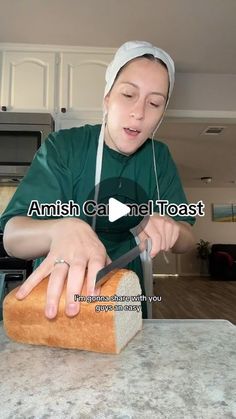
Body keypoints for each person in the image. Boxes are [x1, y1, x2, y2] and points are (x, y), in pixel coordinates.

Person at [0, 41, 195, 320]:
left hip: (125, 305)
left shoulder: (158, 157)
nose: (139, 112)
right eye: (128, 94)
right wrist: (60, 229)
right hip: (61, 304)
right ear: (107, 97)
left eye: (154, 103)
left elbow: (187, 237)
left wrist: (172, 229)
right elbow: (13, 236)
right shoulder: (65, 147)